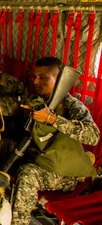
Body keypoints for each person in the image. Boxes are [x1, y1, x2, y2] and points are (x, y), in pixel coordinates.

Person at [11, 57, 100, 224]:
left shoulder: (71, 104)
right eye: (35, 76)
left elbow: (93, 135)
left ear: (58, 79)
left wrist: (52, 119)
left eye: (43, 77)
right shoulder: (36, 100)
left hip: (66, 173)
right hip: (40, 157)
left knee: (28, 175)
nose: (36, 81)